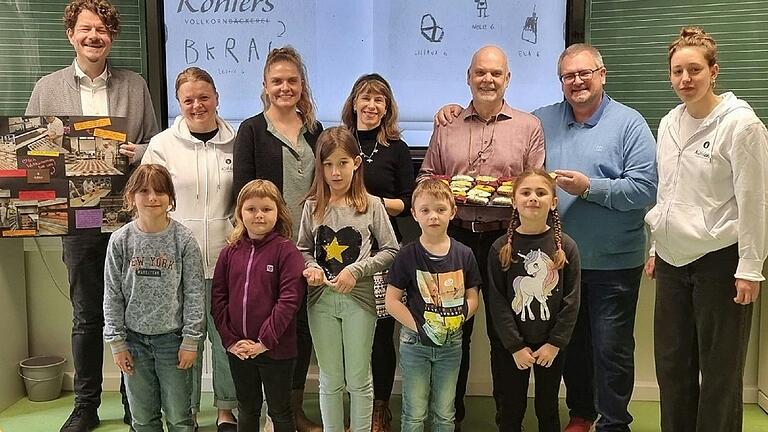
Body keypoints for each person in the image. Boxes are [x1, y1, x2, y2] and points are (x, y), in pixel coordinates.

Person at [436, 43, 657, 432]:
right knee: (562, 345)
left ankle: (612, 423)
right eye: (568, 76)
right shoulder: (540, 120)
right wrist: (452, 111)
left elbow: (645, 189)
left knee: (609, 349)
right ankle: (578, 413)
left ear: (602, 74)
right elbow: (440, 168)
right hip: (514, 250)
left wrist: (590, 187)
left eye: (584, 73)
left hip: (594, 256)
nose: (576, 82)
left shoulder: (625, 123)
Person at [25, 1, 159, 430]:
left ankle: (132, 399)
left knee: (131, 311)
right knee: (87, 314)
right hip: (75, 219)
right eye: (86, 29)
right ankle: (85, 406)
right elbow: (24, 155)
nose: (93, 36)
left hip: (126, 218)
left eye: (102, 29)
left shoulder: (134, 85)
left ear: (112, 36)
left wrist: (135, 152)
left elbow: (155, 146)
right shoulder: (47, 87)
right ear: (71, 34)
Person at [644, 26, 768, 432]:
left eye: (694, 69)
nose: (685, 80)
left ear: (714, 71)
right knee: (673, 368)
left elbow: (755, 201)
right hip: (672, 262)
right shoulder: (668, 123)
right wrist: (654, 248)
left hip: (721, 262)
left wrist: (750, 267)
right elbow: (668, 192)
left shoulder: (742, 126)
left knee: (720, 373)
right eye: (677, 71)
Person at [420, 45, 545, 428]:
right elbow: (426, 179)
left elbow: (537, 188)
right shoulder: (447, 124)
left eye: (495, 73)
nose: (487, 80)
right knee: (453, 330)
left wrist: (514, 192)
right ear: (468, 77)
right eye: (480, 73)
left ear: (507, 79)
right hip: (454, 241)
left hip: (507, 241)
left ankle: (509, 421)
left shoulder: (528, 127)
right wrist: (445, 191)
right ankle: (450, 418)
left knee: (507, 333)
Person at [141, 67, 238, 431]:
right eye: (188, 100)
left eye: (204, 97)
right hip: (177, 265)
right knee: (186, 343)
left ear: (216, 97)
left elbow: (246, 197)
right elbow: (151, 203)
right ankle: (189, 411)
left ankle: (226, 408)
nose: (197, 105)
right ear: (179, 103)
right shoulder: (162, 145)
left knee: (225, 337)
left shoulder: (237, 140)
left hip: (227, 260)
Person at [232, 46, 324, 432]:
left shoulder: (316, 131)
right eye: (277, 81)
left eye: (292, 80)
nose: (284, 87)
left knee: (299, 330)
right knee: (266, 322)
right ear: (265, 86)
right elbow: (242, 191)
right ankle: (262, 410)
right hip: (266, 247)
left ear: (302, 86)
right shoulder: (252, 130)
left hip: (309, 246)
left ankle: (290, 409)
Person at [297, 126, 399, 432]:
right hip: (320, 301)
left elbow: (392, 249)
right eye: (328, 165)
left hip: (359, 302)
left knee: (357, 378)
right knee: (329, 378)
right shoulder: (312, 206)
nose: (335, 172)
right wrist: (311, 267)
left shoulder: (371, 205)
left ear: (356, 163)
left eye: (342, 163)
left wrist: (357, 270)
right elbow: (302, 248)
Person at [103, 164, 205, 432]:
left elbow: (195, 292)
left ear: (170, 197)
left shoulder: (183, 240)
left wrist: (191, 340)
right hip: (133, 342)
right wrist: (116, 343)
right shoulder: (120, 240)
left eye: (160, 192)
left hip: (172, 342)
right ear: (131, 197)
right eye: (144, 191)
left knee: (179, 417)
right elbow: (112, 294)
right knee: (143, 418)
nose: (152, 198)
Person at [340, 72, 414, 432]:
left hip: (384, 252)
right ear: (354, 102)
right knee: (345, 329)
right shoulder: (336, 142)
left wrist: (372, 204)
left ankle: (379, 408)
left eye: (379, 100)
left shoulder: (397, 148)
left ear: (387, 108)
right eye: (366, 98)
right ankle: (351, 403)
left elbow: (408, 201)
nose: (372, 106)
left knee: (382, 334)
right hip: (338, 250)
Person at [487, 169, 581, 432]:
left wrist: (555, 344)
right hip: (513, 348)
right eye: (525, 193)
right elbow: (497, 302)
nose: (533, 199)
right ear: (514, 200)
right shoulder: (499, 249)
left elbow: (571, 302)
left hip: (550, 347)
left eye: (541, 193)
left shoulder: (567, 249)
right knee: (511, 407)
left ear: (553, 201)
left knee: (547, 407)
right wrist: (515, 346)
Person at [385, 178, 480, 432]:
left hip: (452, 343)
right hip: (415, 344)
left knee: (445, 414)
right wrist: (419, 327)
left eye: (440, 209)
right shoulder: (407, 254)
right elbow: (391, 301)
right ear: (414, 214)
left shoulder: (464, 254)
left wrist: (460, 318)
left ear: (453, 211)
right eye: (425, 210)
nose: (433, 217)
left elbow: (473, 297)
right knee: (414, 413)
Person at [211, 179, 306, 432]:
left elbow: (289, 301)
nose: (259, 215)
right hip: (240, 350)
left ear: (279, 212)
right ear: (240, 211)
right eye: (251, 209)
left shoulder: (287, 252)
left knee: (280, 411)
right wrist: (231, 341)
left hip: (277, 350)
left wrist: (264, 341)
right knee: (247, 408)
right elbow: (218, 299)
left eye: (266, 209)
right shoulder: (229, 253)